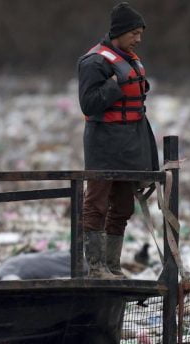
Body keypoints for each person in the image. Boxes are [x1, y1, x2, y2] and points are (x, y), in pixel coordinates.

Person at [77, 2, 158, 279]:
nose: (139, 39)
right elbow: (88, 104)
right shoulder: (95, 61)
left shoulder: (131, 60)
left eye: (140, 33)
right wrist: (115, 86)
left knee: (123, 207)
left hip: (130, 142)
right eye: (134, 33)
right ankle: (96, 267)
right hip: (103, 142)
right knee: (96, 204)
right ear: (119, 33)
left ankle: (113, 265)